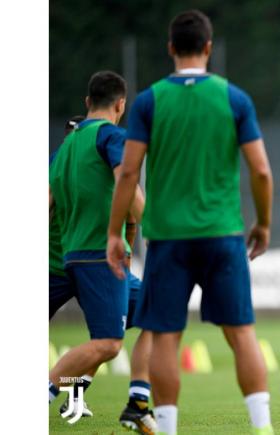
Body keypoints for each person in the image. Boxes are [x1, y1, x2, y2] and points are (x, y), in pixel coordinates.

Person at [105, 10, 274, 435]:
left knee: (165, 335)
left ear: (170, 49)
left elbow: (127, 173)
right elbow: (261, 172)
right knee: (242, 333)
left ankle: (168, 429)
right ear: (209, 48)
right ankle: (263, 428)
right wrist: (264, 223)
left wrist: (114, 232)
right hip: (222, 235)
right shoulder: (234, 98)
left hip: (168, 239)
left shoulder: (148, 101)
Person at [48, 72, 153, 432]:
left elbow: (46, 202)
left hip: (73, 257)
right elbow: (127, 179)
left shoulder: (63, 148)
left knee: (158, 309)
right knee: (109, 343)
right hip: (97, 255)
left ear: (87, 101)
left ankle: (137, 402)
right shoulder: (111, 135)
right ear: (121, 104)